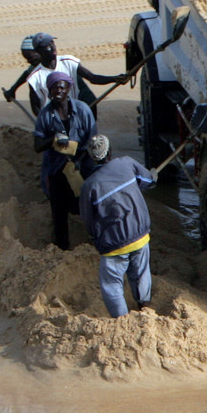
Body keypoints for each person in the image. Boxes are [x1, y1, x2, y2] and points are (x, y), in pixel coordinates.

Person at [80, 135, 156, 317]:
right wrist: (153, 175)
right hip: (139, 235)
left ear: (92, 158)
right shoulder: (127, 163)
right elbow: (148, 181)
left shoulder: (89, 186)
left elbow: (88, 221)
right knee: (141, 273)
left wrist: (95, 237)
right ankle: (144, 306)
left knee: (112, 284)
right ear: (110, 151)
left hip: (113, 244)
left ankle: (121, 320)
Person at [32, 70, 96, 250]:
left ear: (68, 88)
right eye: (54, 88)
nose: (58, 91)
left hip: (82, 167)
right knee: (59, 212)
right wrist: (52, 139)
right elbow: (37, 145)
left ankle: (96, 241)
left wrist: (80, 160)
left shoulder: (83, 110)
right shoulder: (45, 115)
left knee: (88, 205)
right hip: (57, 170)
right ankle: (62, 249)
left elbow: (93, 140)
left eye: (61, 87)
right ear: (49, 91)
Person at [25, 32, 127, 117]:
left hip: (75, 113)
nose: (53, 47)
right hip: (55, 117)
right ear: (39, 51)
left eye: (53, 42)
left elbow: (92, 78)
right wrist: (45, 122)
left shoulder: (68, 61)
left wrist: (115, 79)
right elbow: (35, 107)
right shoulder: (34, 77)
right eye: (48, 45)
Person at [2, 35, 42, 103]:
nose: (28, 61)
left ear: (40, 51)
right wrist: (13, 89)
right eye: (26, 59)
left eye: (30, 58)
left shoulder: (58, 66)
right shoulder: (35, 67)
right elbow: (27, 73)